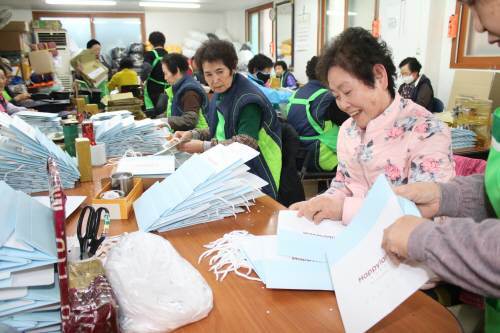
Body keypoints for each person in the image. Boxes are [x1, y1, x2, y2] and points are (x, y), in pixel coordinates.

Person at [383, 0, 500, 331]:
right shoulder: (350, 131)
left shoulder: (421, 122)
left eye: (477, 4)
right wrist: (446, 197)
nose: (475, 27)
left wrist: (428, 239)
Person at [290, 27, 455, 224]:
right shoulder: (348, 130)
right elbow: (343, 184)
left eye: (347, 92)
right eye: (336, 96)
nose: (342, 104)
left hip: (406, 247)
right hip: (352, 239)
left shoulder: (427, 131)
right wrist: (319, 203)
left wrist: (344, 209)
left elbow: (428, 212)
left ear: (379, 76)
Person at [173, 40, 283, 199]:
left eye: (220, 71)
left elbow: (246, 143)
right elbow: (218, 129)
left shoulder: (248, 100)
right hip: (230, 169)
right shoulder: (220, 93)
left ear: (233, 68)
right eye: (208, 74)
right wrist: (192, 134)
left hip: (257, 174)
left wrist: (203, 146)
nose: (214, 80)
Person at [286, 56, 349, 172]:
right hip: (322, 158)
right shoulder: (326, 97)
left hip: (297, 157)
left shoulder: (296, 94)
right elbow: (348, 121)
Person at [156, 53, 208, 131]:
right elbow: (174, 110)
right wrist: (156, 120)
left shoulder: (189, 91)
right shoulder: (179, 87)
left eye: (166, 73)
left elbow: (190, 120)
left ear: (177, 70)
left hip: (196, 138)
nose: (165, 78)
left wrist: (166, 121)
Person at [142, 31, 168, 116]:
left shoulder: (150, 54)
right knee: (163, 112)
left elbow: (146, 68)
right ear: (163, 41)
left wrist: (142, 79)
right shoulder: (168, 54)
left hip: (153, 88)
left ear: (151, 42)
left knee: (152, 113)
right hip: (166, 88)